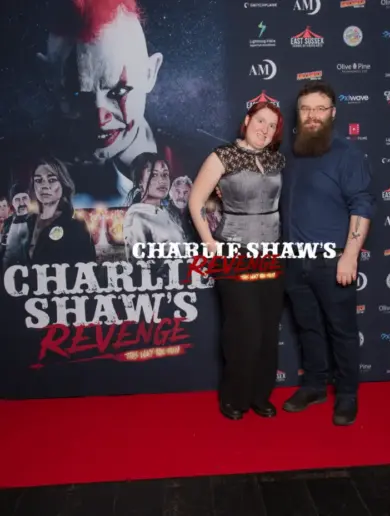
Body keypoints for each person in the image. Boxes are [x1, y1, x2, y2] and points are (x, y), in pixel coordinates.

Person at [280, 81, 375, 426]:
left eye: (320, 109)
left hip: (332, 259)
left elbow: (361, 205)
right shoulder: (291, 153)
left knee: (342, 330)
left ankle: (347, 394)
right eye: (306, 109)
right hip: (293, 259)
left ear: (332, 113)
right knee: (308, 327)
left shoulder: (347, 154)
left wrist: (350, 255)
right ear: (299, 113)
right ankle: (314, 386)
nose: (313, 115)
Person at [189, 101, 286, 420]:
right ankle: (234, 397)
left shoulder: (276, 158)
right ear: (247, 120)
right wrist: (209, 243)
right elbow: (195, 201)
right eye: (260, 121)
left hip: (272, 253)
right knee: (244, 328)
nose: (265, 129)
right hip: (235, 252)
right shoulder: (223, 156)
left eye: (272, 125)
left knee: (268, 328)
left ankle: (260, 395)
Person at [37, 0, 164, 207]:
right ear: (49, 78)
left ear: (150, 74)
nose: (100, 118)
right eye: (77, 94)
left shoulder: (189, 160)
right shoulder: (17, 169)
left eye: (118, 92)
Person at [27, 157, 97, 265]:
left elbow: (87, 267)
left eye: (51, 180)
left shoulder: (76, 227)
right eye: (38, 180)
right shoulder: (27, 222)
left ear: (63, 184)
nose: (44, 186)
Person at [123, 153, 187, 261]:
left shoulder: (168, 213)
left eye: (165, 174)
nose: (162, 180)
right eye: (153, 175)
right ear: (139, 181)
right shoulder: (137, 217)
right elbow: (138, 264)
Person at [0, 184, 32, 270]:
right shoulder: (7, 223)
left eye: (24, 198)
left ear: (30, 200)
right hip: (9, 271)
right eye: (17, 199)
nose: (21, 203)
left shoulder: (37, 220)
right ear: (12, 203)